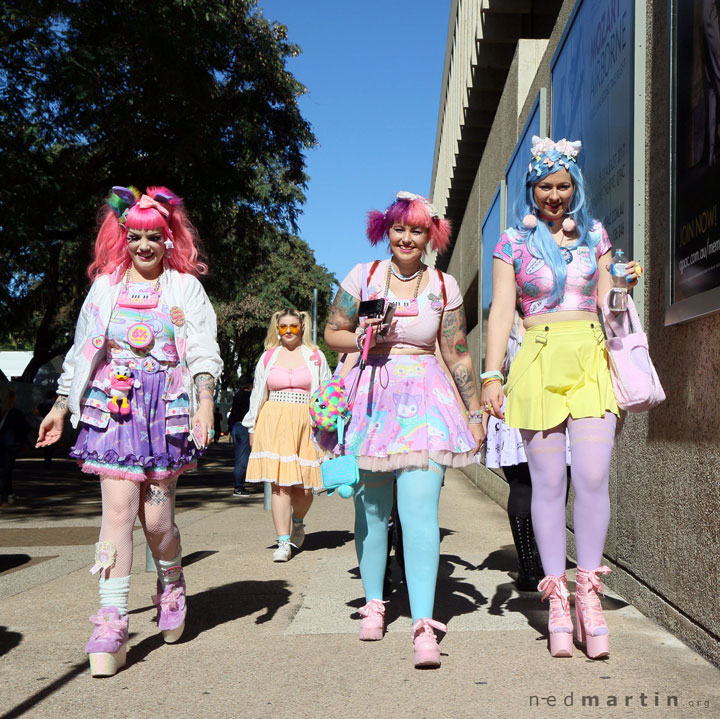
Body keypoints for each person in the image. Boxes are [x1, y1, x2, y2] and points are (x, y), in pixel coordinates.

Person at [36, 186, 223, 676]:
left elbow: (203, 348)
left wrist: (205, 403)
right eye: (135, 235)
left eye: (153, 236)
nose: (144, 245)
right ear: (125, 237)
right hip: (113, 409)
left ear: (169, 238)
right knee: (117, 514)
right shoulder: (106, 286)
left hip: (165, 411)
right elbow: (82, 351)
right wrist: (60, 405)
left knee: (157, 522)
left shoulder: (184, 288)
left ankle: (172, 580)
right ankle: (111, 620)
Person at [482, 137, 640, 659]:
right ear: (533, 189)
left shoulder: (595, 234)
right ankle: (555, 600)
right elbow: (502, 312)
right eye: (546, 186)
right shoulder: (510, 242)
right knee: (548, 485)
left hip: (591, 357)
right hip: (538, 359)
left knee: (592, 477)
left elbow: (608, 306)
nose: (554, 195)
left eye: (563, 186)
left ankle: (588, 596)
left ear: (575, 188)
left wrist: (623, 286)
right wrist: (491, 374)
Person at [321, 191, 484, 669]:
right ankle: (374, 601)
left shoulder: (443, 285)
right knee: (371, 512)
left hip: (427, 402)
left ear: (430, 234)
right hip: (370, 400)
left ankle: (423, 622)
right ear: (386, 231)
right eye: (399, 229)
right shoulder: (363, 275)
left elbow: (456, 351)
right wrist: (363, 337)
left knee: (418, 512)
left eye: (417, 230)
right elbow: (332, 332)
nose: (407, 238)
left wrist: (474, 413)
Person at [243, 309, 330, 561]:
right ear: (277, 329)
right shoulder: (268, 357)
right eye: (283, 327)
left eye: (293, 326)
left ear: (302, 327)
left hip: (307, 422)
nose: (289, 331)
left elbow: (326, 393)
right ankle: (283, 542)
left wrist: (328, 430)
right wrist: (252, 426)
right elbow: (258, 392)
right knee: (279, 485)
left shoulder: (315, 356)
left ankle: (298, 521)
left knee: (304, 489)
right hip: (273, 420)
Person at [0, 388, 32, 505]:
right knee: (6, 469)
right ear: (12, 398)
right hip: (10, 443)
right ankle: (7, 493)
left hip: (3, 443)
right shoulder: (15, 412)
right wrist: (26, 444)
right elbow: (24, 428)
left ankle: (9, 493)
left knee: (4, 469)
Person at [228, 374, 253, 496]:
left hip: (236, 427)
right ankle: (238, 487)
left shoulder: (236, 395)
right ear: (250, 385)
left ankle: (238, 485)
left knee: (238, 456)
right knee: (243, 458)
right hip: (244, 427)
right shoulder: (250, 397)